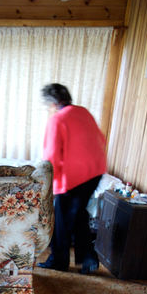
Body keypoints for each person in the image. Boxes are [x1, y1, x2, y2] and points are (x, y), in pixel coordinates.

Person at [38, 83, 107, 274]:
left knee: (60, 217)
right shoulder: (83, 112)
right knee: (77, 213)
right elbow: (101, 140)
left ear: (52, 103)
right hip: (95, 171)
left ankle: (59, 261)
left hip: (74, 176)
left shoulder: (57, 120)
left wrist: (50, 183)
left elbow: (51, 155)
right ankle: (88, 259)